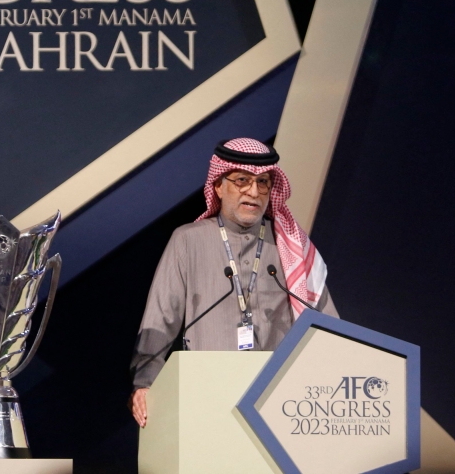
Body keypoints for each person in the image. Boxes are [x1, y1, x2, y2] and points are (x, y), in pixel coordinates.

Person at [129, 138, 338, 427]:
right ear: (218, 185)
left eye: (263, 182)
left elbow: (329, 325)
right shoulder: (189, 240)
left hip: (281, 399)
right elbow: (160, 318)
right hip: (207, 395)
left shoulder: (291, 245)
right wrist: (146, 383)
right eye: (242, 180)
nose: (253, 191)